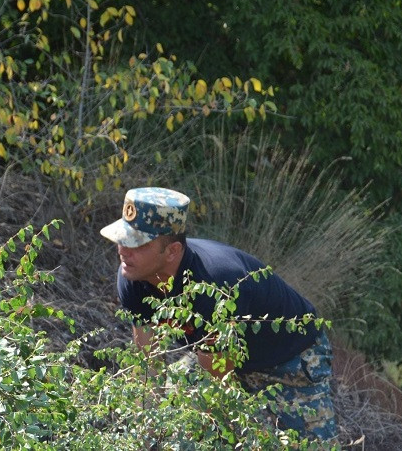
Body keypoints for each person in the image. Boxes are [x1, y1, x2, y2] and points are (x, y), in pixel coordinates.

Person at [100, 187, 337, 441]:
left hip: (289, 358)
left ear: (173, 251)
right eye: (122, 239)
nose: (123, 251)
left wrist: (190, 430)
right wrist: (149, 429)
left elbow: (215, 390)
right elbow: (148, 367)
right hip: (219, 355)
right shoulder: (134, 277)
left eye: (136, 244)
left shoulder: (215, 288)